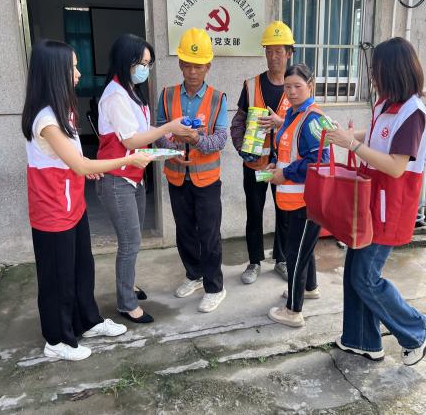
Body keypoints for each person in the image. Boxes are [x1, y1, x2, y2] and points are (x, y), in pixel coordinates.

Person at [22, 39, 153, 361]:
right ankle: (57, 340)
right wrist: (127, 160)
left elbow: (74, 162)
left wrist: (87, 170)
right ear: (54, 72)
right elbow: (80, 164)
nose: (79, 73)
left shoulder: (63, 112)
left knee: (82, 268)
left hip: (72, 205)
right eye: (73, 68)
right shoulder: (45, 120)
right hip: (52, 212)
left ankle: (88, 321)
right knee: (59, 278)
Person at [326, 37, 426, 366]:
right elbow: (375, 137)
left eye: (376, 70)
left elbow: (396, 166)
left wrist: (352, 146)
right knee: (354, 271)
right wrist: (346, 136)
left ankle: (416, 328)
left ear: (393, 71)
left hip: (391, 205)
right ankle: (361, 339)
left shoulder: (413, 113)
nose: (372, 76)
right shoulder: (386, 104)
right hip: (370, 201)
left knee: (365, 277)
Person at [96, 34, 193, 324]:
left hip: (134, 175)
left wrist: (167, 141)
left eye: (149, 64)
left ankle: (129, 283)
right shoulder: (115, 96)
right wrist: (169, 126)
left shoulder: (131, 92)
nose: (145, 69)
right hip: (117, 178)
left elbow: (142, 132)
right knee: (130, 241)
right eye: (141, 63)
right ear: (126, 61)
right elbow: (131, 140)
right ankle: (126, 303)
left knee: (133, 238)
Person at [155, 28, 228, 313]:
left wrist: (196, 140)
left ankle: (215, 287)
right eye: (188, 65)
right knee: (184, 231)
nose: (193, 71)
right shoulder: (167, 95)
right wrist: (173, 147)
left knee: (209, 234)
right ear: (180, 64)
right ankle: (194, 274)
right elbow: (158, 132)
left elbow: (220, 139)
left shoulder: (218, 98)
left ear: (208, 66)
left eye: (199, 66)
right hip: (177, 176)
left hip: (207, 179)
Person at [230, 21, 294, 285]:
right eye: (269, 50)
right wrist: (241, 149)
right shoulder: (251, 85)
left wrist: (281, 124)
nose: (273, 56)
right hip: (256, 165)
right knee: (254, 213)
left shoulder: (297, 86)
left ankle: (282, 259)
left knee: (285, 213)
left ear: (289, 53)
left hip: (284, 167)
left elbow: (305, 123)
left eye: (278, 51)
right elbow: (238, 123)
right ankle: (254, 261)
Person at [266, 63, 329, 328]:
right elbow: (289, 151)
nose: (291, 91)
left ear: (310, 86)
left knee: (295, 253)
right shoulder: (293, 114)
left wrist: (286, 173)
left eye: (297, 86)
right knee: (304, 248)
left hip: (307, 200)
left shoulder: (312, 119)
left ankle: (293, 311)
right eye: (287, 86)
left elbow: (320, 160)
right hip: (294, 198)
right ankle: (309, 287)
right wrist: (276, 164)